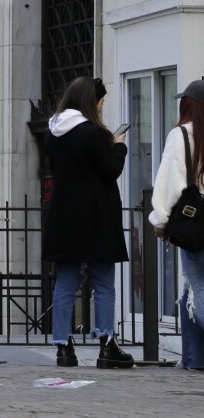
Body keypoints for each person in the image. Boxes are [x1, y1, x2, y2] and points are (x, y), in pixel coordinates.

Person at [41, 76, 134, 369]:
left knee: (65, 283)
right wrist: (118, 146)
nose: (102, 108)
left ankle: (63, 348)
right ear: (90, 102)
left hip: (64, 217)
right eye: (101, 103)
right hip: (95, 217)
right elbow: (109, 171)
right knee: (104, 283)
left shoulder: (51, 132)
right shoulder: (91, 133)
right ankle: (107, 346)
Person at [152, 79, 204, 364]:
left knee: (198, 289)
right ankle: (194, 359)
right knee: (189, 295)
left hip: (197, 224)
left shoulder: (182, 135)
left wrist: (161, 219)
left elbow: (170, 183)